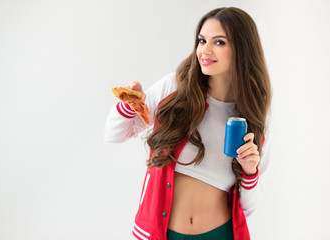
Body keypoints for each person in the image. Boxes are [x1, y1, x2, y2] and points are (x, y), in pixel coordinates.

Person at [104, 6, 272, 240]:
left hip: (220, 234)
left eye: (219, 42)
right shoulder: (176, 87)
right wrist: (129, 104)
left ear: (242, 49)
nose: (205, 50)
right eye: (202, 40)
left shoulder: (252, 116)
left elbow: (250, 206)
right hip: (163, 234)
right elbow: (114, 134)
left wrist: (250, 171)